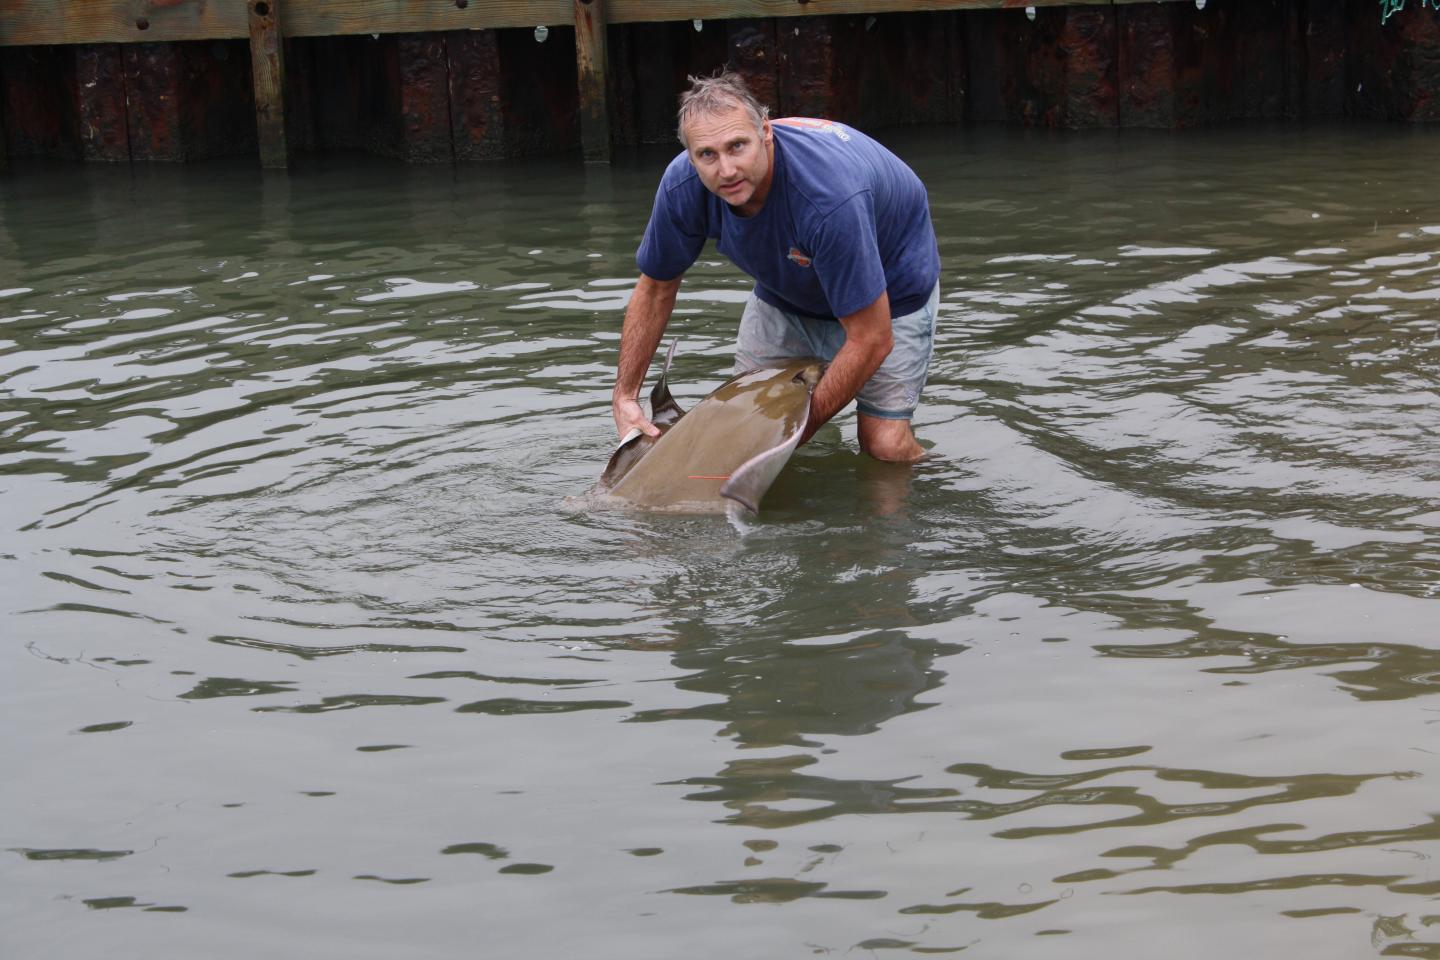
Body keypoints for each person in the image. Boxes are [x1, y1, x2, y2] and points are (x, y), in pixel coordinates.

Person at [611, 71, 941, 463]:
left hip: (891, 288)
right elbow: (654, 289)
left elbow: (873, 338)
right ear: (690, 156)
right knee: (746, 429)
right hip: (787, 288)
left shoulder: (828, 200)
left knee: (883, 446)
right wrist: (625, 396)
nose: (727, 170)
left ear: (766, 133)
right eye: (708, 155)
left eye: (738, 146)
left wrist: (795, 432)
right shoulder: (682, 186)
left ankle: (927, 482)